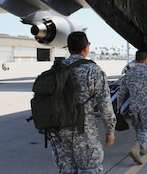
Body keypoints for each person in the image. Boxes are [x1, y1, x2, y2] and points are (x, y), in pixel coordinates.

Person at [49, 31, 116, 174]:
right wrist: (110, 131)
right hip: (84, 132)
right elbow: (105, 106)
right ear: (86, 47)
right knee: (90, 170)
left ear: (68, 48)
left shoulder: (55, 69)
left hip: (59, 132)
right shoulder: (93, 70)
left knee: (66, 171)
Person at [116, 50, 147, 165]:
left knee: (139, 128)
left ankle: (143, 148)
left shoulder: (129, 72)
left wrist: (118, 104)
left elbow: (122, 91)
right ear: (145, 59)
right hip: (146, 105)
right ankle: (136, 148)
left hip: (133, 106)